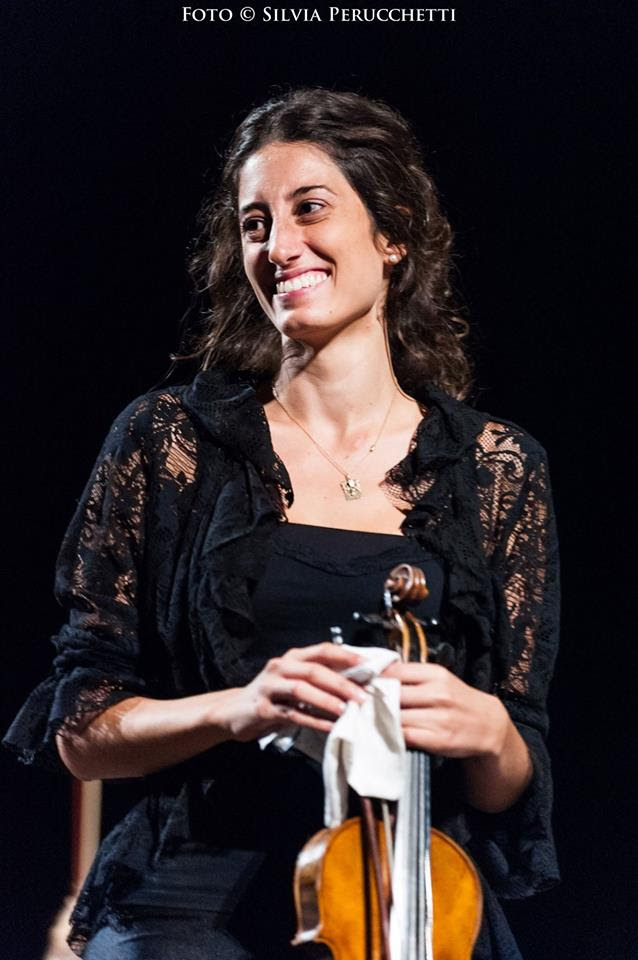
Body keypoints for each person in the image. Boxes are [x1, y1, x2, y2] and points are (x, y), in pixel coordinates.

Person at [4, 89, 560, 959]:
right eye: (255, 224)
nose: (279, 246)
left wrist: (489, 730)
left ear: (393, 233)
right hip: (190, 905)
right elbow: (84, 733)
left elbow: (508, 773)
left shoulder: (497, 466)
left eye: (310, 209)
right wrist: (242, 707)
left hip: (403, 900)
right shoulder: (169, 441)